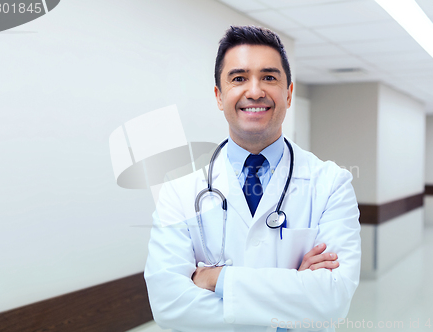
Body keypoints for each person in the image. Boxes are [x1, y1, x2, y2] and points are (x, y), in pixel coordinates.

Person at [144, 25, 361, 332]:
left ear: (288, 93)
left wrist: (214, 279)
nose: (255, 90)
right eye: (239, 78)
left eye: (269, 77)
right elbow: (169, 306)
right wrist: (293, 298)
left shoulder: (332, 184)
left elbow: (332, 301)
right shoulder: (179, 192)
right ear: (220, 97)